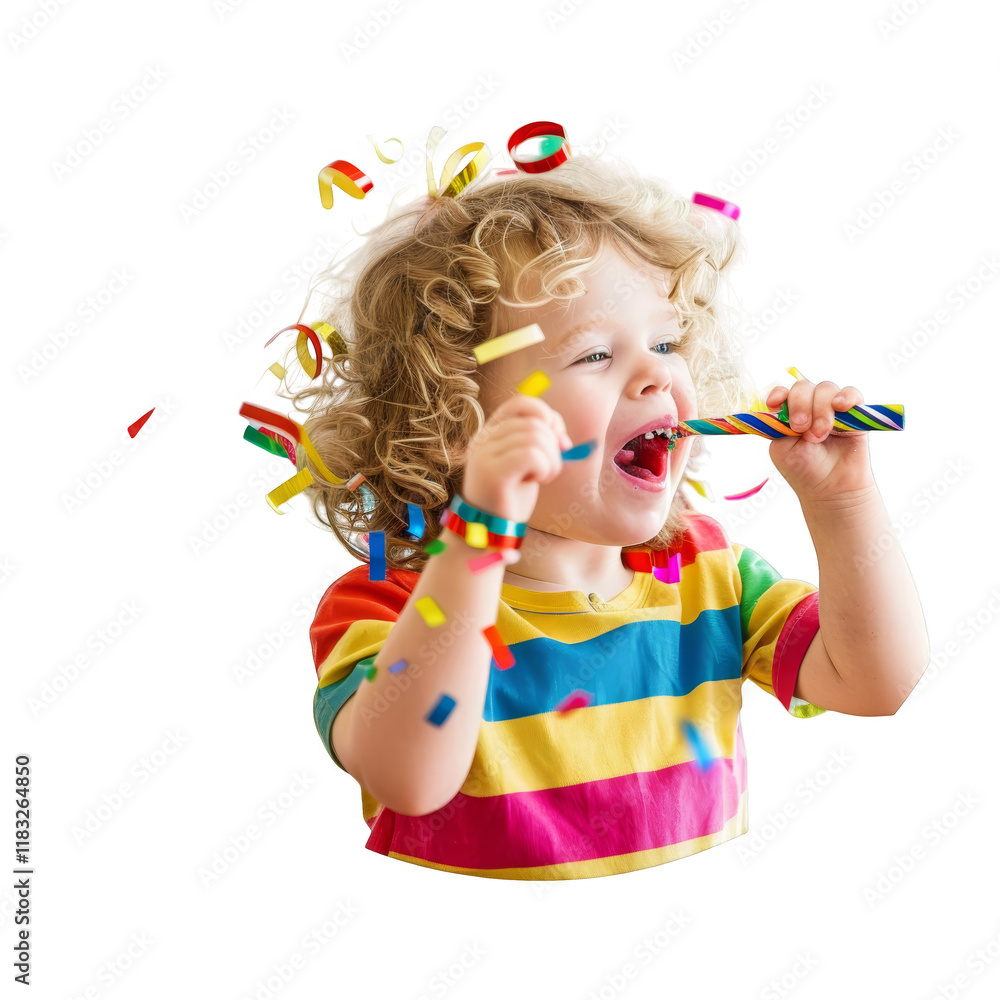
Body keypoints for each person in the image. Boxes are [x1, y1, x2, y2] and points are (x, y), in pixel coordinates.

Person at [287, 153, 929, 880]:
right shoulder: (389, 607)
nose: (657, 373)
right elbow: (410, 778)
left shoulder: (708, 574)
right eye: (595, 354)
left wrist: (843, 503)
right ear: (455, 421)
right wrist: (479, 535)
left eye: (665, 343)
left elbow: (879, 683)